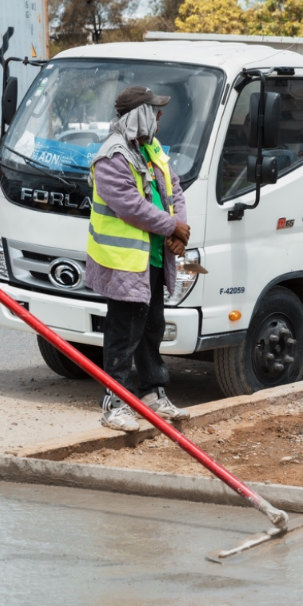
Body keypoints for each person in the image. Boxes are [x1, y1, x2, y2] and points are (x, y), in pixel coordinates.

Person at [86, 86, 192, 432]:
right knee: (123, 334)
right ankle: (114, 404)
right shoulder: (112, 156)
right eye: (154, 111)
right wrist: (173, 227)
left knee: (151, 330)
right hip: (125, 265)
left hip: (154, 259)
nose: (160, 117)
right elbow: (132, 208)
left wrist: (179, 232)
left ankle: (151, 393)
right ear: (139, 116)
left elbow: (173, 188)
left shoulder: (150, 148)